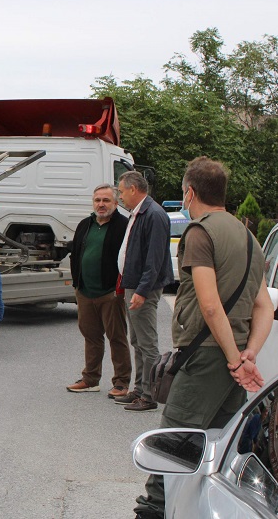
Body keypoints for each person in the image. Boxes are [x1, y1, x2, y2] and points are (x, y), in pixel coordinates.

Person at [133, 157, 273, 519]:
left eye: (183, 194)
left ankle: (152, 511)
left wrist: (232, 359)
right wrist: (248, 355)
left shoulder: (200, 232)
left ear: (190, 192)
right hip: (234, 356)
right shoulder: (248, 237)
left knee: (170, 445)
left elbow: (210, 308)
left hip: (209, 356)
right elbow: (263, 307)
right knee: (216, 447)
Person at [114, 171, 174, 412]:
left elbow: (155, 258)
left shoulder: (154, 214)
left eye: (120, 191)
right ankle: (139, 389)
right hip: (134, 285)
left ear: (133, 189)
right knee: (137, 340)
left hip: (143, 288)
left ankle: (149, 396)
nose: (119, 196)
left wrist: (142, 290)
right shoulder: (139, 213)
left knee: (147, 343)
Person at [66, 184, 132, 398]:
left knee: (117, 337)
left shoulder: (124, 225)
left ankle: (121, 383)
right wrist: (77, 284)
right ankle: (90, 379)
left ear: (115, 203)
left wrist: (119, 289)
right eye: (97, 200)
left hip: (111, 293)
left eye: (106, 200)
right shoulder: (85, 224)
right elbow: (75, 254)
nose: (101, 204)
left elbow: (128, 258)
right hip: (85, 291)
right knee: (91, 336)